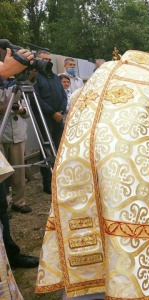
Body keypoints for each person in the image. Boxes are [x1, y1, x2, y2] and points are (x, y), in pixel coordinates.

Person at [35, 50, 149, 300]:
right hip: (126, 170)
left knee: (86, 220)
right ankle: (127, 290)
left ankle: (88, 288)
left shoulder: (104, 71)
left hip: (74, 162)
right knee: (129, 228)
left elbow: (77, 100)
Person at [0, 45, 39, 271]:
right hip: (2, 132)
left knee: (17, 172)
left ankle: (18, 203)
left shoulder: (16, 84)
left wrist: (18, 108)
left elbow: (25, 108)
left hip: (16, 131)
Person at [33, 50, 68, 194]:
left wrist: (60, 112)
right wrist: (52, 113)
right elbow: (36, 99)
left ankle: (59, 179)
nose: (48, 62)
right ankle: (48, 183)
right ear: (37, 60)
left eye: (49, 59)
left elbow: (63, 95)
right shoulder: (35, 77)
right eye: (44, 59)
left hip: (58, 118)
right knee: (47, 150)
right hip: (45, 118)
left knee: (59, 148)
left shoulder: (55, 77)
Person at [0, 80, 31, 213]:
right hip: (2, 136)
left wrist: (21, 109)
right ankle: (3, 205)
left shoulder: (20, 88)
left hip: (17, 136)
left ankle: (19, 202)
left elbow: (28, 112)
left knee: (19, 173)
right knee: (2, 173)